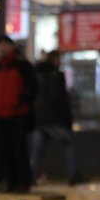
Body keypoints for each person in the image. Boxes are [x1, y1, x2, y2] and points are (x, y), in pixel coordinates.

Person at [0, 36, 37, 193]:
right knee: (4, 151)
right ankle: (10, 182)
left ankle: (23, 183)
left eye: (4, 45)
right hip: (0, 116)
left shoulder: (22, 65)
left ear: (11, 47)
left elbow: (33, 87)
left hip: (17, 115)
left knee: (19, 151)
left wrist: (21, 102)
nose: (1, 49)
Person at [30, 50, 81, 186]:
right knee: (68, 141)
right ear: (54, 59)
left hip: (40, 119)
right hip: (53, 120)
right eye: (58, 59)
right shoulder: (56, 75)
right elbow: (59, 100)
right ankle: (72, 174)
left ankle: (30, 177)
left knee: (38, 151)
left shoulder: (37, 74)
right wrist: (66, 120)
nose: (60, 62)